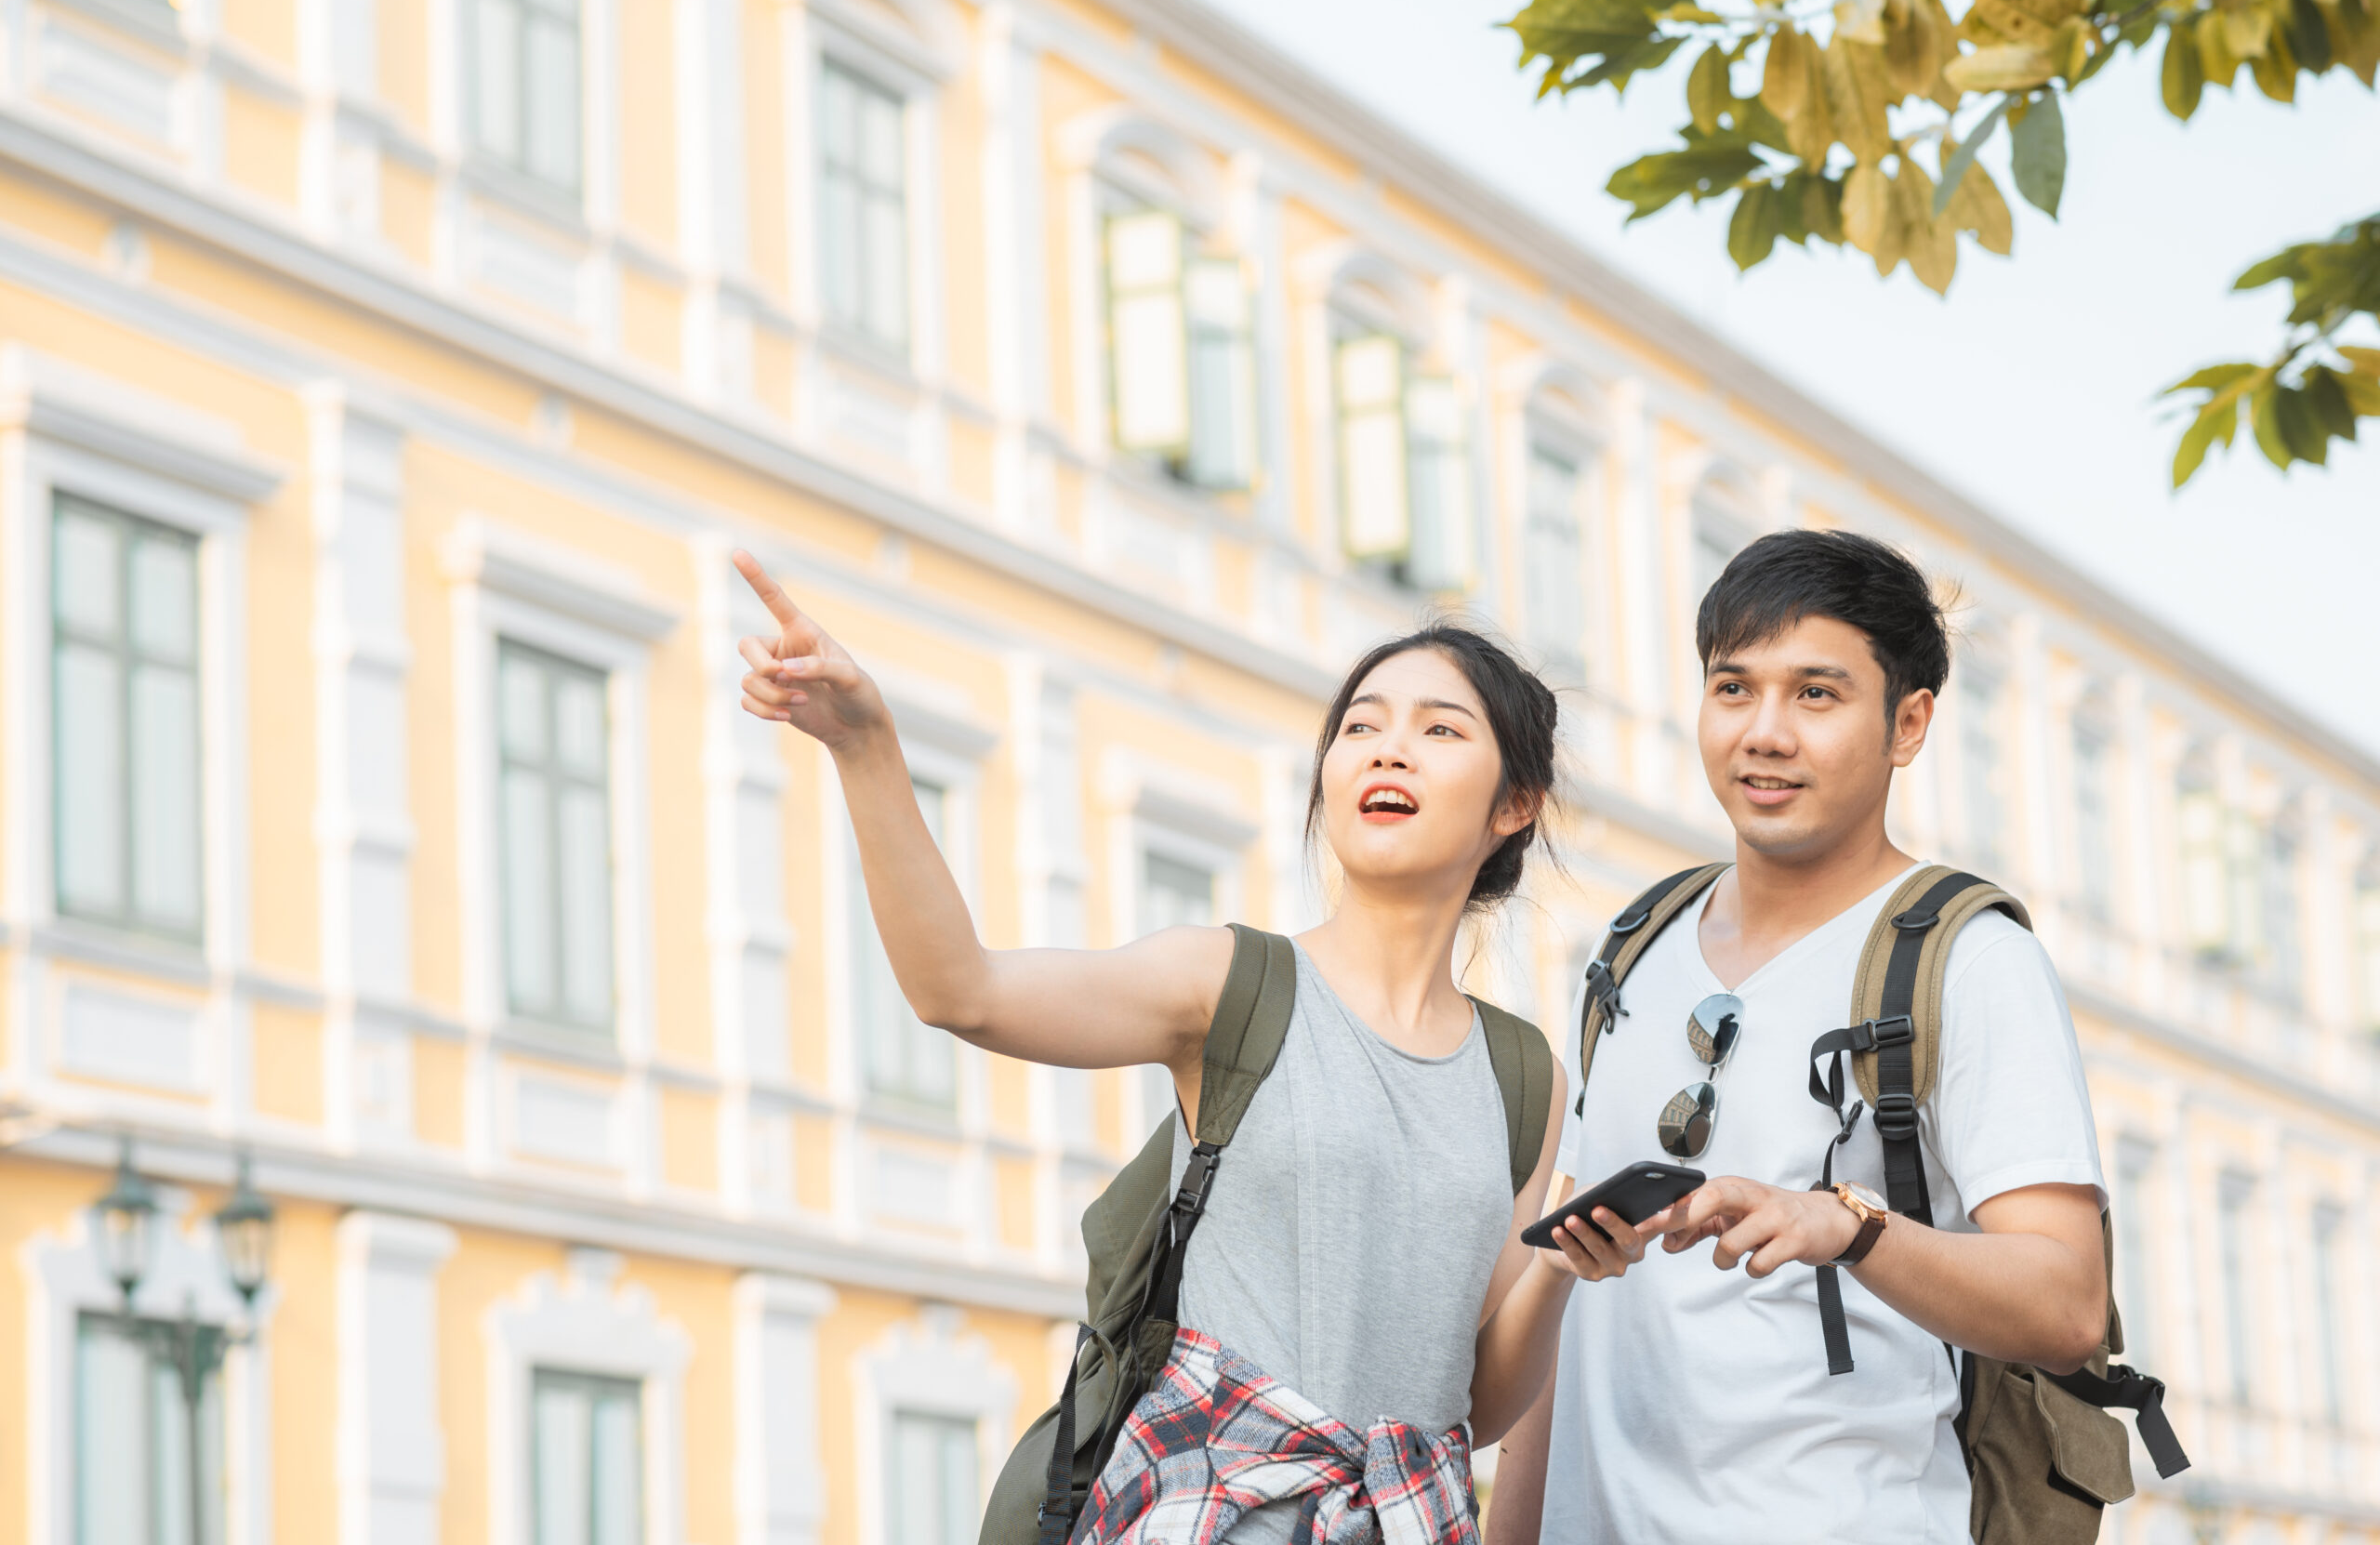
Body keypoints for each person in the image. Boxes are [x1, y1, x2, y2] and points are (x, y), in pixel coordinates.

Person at [730, 551, 1624, 1541]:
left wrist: (1559, 1266)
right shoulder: (1228, 982)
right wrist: (865, 746)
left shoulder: (1520, 1071)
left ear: (1514, 803)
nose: (1387, 749)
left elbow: (1475, 1399)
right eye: (1360, 725)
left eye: (1439, 730)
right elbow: (962, 990)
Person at [1488, 530, 2109, 1544]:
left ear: (1906, 724)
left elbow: (2066, 1299)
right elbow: (1571, 1304)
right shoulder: (1632, 944)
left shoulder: (1970, 957)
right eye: (1733, 689)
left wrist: (1851, 1224)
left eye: (1815, 694)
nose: (1763, 732)